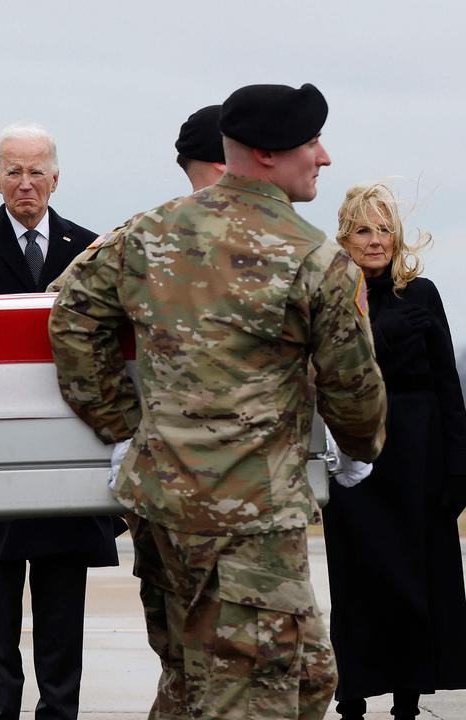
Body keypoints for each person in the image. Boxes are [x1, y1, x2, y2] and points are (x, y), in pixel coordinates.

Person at [48, 82, 388, 719]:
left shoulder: (149, 232)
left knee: (266, 678)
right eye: (311, 143)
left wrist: (119, 424)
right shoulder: (313, 258)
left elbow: (71, 312)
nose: (325, 156)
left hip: (162, 505)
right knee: (250, 698)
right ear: (265, 153)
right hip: (249, 523)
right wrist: (363, 449)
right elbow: (353, 385)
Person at [0, 123, 122, 720]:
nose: (25, 183)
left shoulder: (90, 248)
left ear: (56, 178)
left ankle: (59, 713)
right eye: (13, 171)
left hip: (71, 447)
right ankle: (2, 712)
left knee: (63, 602)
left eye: (36, 170)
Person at [322, 182, 466, 720]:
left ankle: (409, 695)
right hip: (356, 459)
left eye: (385, 229)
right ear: (346, 235)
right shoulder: (333, 294)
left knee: (417, 581)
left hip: (419, 459)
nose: (376, 240)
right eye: (364, 229)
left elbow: (449, 387)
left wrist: (458, 471)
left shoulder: (421, 293)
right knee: (358, 580)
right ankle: (354, 692)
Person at [47, 102, 226, 295]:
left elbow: (57, 299)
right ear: (223, 163)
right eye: (261, 154)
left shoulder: (140, 234)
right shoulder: (142, 236)